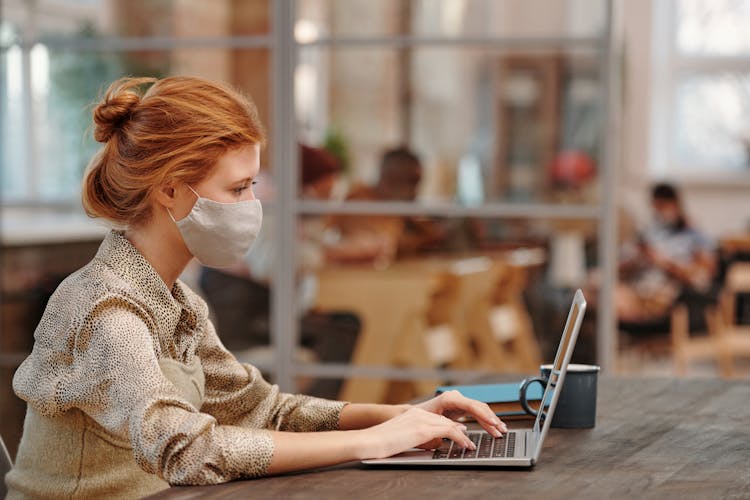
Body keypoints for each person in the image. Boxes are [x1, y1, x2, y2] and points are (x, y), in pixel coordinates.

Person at [5, 76, 506, 499]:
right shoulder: (106, 309)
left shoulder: (177, 302)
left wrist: (399, 415)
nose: (252, 205)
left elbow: (262, 409)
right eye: (239, 188)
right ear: (171, 189)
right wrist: (369, 443)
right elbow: (186, 452)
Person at [200, 144, 359, 399]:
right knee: (342, 329)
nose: (328, 197)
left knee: (342, 323)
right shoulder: (267, 202)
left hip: (254, 308)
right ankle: (321, 419)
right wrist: (333, 253)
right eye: (324, 189)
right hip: (242, 320)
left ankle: (321, 414)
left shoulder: (281, 203)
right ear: (306, 184)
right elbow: (272, 264)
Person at [325, 146, 448, 264]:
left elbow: (435, 236)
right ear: (391, 177)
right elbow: (383, 244)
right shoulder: (360, 201)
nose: (415, 191)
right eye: (412, 182)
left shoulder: (397, 206)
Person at [615, 183, 717, 322]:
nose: (659, 212)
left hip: (666, 294)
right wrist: (639, 259)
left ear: (675, 204)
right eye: (656, 207)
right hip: (638, 288)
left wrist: (664, 263)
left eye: (662, 206)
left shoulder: (695, 237)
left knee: (614, 305)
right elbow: (621, 267)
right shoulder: (650, 233)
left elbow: (701, 279)